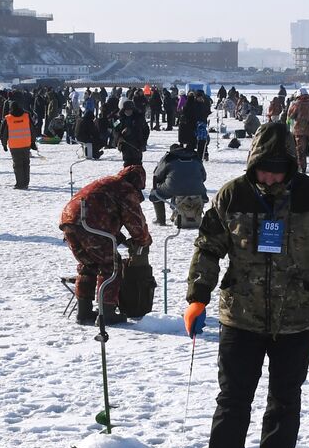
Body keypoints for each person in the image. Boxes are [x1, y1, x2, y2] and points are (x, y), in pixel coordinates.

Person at [183, 122, 309, 448]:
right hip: (240, 317)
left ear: (291, 165)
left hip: (296, 319)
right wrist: (198, 297)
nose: (271, 176)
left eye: (278, 169)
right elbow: (208, 248)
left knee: (284, 401)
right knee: (232, 401)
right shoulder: (232, 195)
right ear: (252, 163)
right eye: (264, 168)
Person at [59, 164, 153, 325]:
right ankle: (106, 313)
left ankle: (84, 311)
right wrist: (143, 240)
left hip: (69, 221)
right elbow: (134, 221)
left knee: (88, 264)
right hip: (91, 224)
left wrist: (122, 239)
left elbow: (105, 211)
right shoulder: (126, 189)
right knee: (111, 264)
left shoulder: (107, 182)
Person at [149, 142, 207, 226]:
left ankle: (160, 219)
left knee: (155, 194)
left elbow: (157, 175)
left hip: (173, 187)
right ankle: (195, 214)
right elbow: (204, 176)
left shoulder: (169, 157)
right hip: (197, 189)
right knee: (200, 194)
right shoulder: (195, 157)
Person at [287, 87, 309, 174]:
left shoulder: (296, 104)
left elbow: (290, 115)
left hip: (300, 130)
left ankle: (302, 169)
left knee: (300, 150)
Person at [114, 100, 150, 168]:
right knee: (127, 164)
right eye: (126, 110)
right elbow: (114, 129)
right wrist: (119, 137)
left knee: (137, 164)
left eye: (130, 110)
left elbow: (146, 130)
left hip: (137, 145)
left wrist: (143, 142)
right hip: (125, 145)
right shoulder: (119, 119)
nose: (128, 111)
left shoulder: (139, 118)